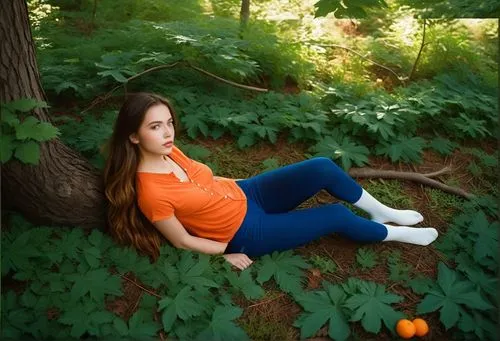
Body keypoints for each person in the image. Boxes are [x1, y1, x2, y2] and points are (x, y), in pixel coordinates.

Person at [103, 92, 438, 270]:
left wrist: (251, 182)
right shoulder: (150, 192)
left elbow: (205, 179)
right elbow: (182, 241)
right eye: (155, 126)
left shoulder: (170, 151)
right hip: (245, 231)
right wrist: (225, 253)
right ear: (133, 136)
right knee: (335, 215)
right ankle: (399, 235)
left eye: (169, 122)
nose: (167, 132)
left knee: (321, 166)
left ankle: (382, 212)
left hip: (247, 192)